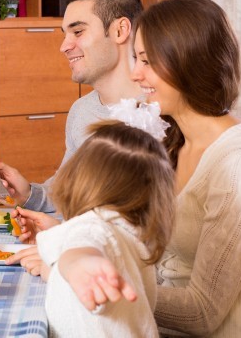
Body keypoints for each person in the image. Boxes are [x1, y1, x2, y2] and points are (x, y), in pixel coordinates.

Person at [61, 0, 241, 336]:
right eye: (137, 58)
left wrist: (103, 285)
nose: (135, 74)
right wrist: (66, 239)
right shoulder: (171, 140)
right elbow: (123, 227)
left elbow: (202, 313)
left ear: (188, 63)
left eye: (147, 61)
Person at [0, 0, 143, 213]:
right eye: (65, 34)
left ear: (120, 30)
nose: (64, 46)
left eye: (78, 31)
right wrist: (27, 192)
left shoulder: (161, 111)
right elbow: (66, 190)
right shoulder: (82, 110)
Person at [37, 121, 174, 337]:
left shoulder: (93, 228)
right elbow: (68, 260)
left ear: (76, 179)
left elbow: (84, 246)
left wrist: (82, 263)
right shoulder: (128, 233)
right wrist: (66, 262)